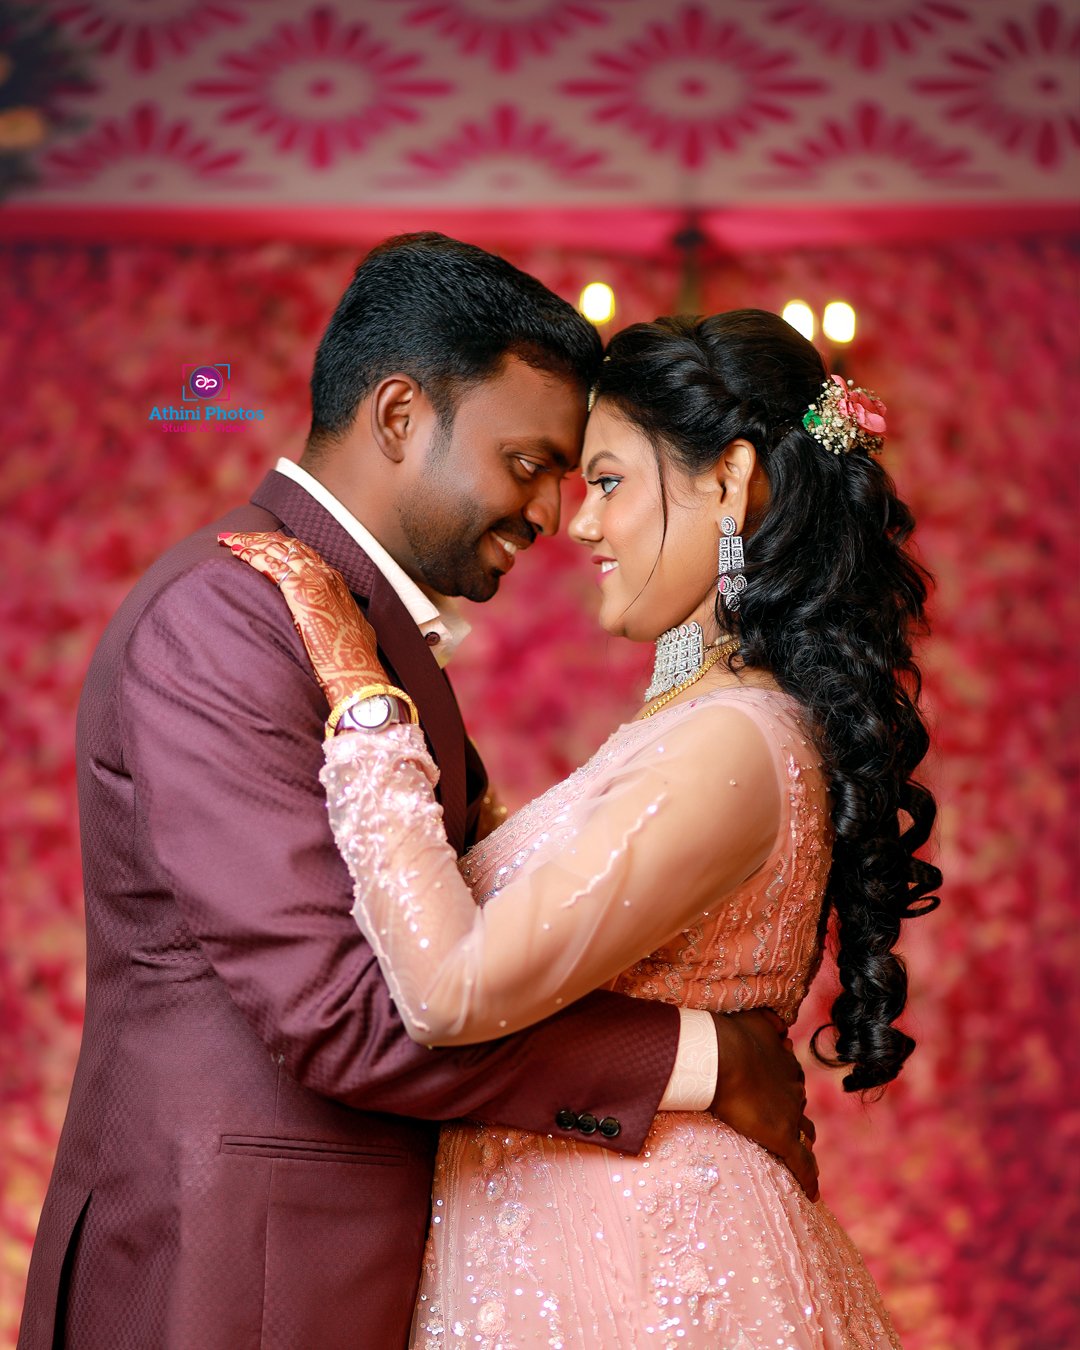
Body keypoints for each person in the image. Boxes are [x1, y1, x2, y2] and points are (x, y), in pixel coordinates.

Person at [19, 239, 815, 1350]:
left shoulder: (360, 636)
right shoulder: (229, 620)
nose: (553, 514)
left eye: (581, 475)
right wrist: (699, 1059)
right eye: (531, 461)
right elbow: (343, 1014)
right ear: (400, 415)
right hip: (234, 1276)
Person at [224, 307, 942, 1347]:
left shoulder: (732, 742)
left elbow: (448, 989)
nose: (581, 524)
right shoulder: (697, 727)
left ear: (729, 483)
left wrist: (363, 697)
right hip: (582, 1249)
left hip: (652, 1272)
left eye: (608, 481)